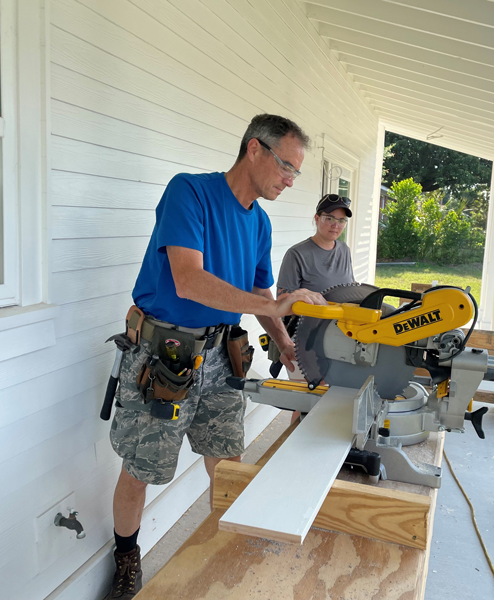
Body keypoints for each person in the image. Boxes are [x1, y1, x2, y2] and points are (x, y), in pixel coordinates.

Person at [107, 114, 326, 598]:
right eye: (286, 167)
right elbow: (189, 279)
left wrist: (285, 343)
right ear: (255, 149)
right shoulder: (190, 192)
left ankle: (229, 552)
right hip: (164, 354)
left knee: (227, 461)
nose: (290, 180)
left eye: (297, 172)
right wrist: (272, 306)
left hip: (224, 355)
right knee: (142, 469)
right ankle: (126, 555)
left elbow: (258, 291)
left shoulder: (261, 223)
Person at [273, 194, 355, 388]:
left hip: (337, 336)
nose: (336, 225)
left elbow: (350, 290)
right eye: (330, 218)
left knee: (329, 397)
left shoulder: (344, 250)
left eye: (342, 220)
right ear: (317, 218)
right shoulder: (297, 254)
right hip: (304, 338)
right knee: (307, 399)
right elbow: (282, 300)